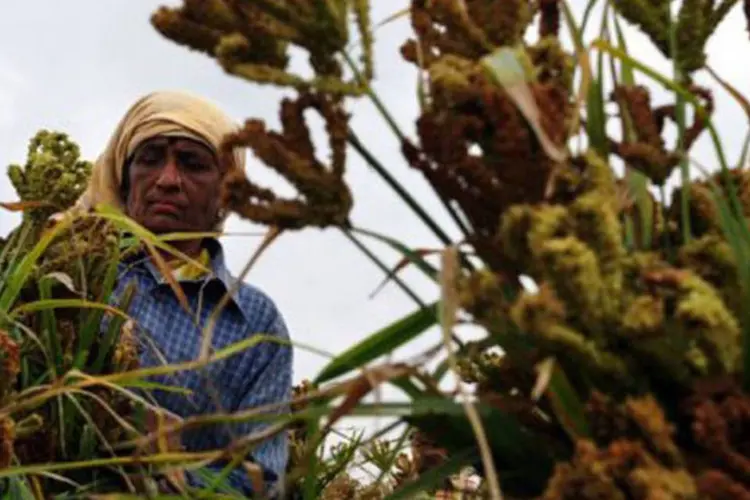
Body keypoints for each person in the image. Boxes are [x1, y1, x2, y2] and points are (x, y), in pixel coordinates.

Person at [73, 90, 293, 496]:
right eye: (150, 158)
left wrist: (171, 466)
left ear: (225, 194)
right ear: (124, 175)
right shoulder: (71, 268)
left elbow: (261, 483)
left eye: (192, 164)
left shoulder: (256, 325)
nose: (167, 180)